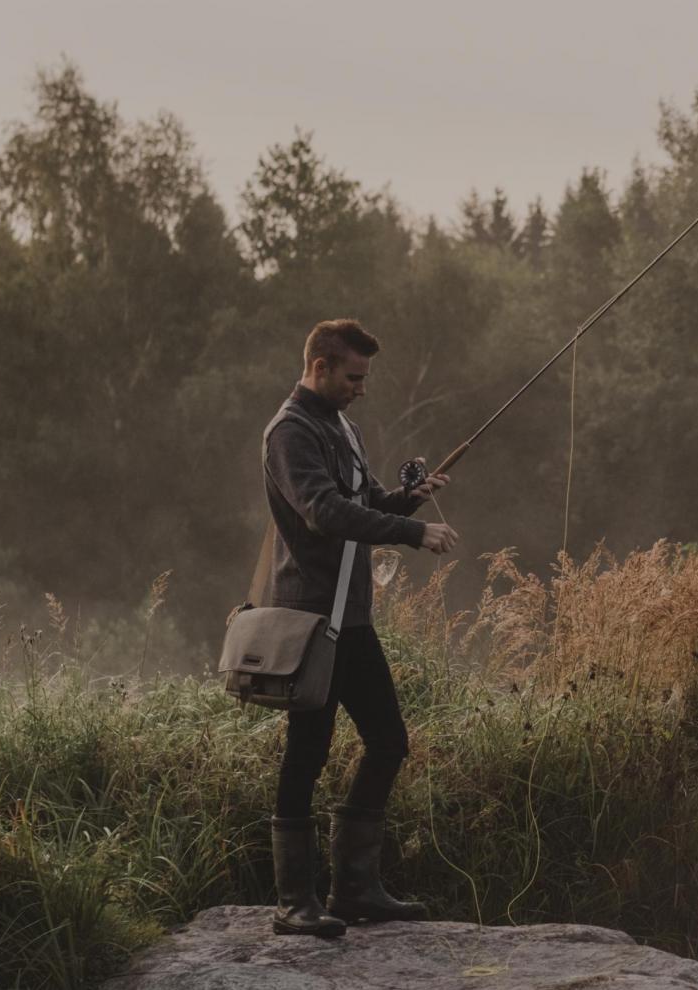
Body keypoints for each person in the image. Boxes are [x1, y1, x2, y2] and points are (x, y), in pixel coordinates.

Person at [258, 318, 460, 937]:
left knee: (389, 741)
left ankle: (354, 890)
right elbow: (322, 512)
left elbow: (362, 499)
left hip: (352, 618)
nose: (361, 388)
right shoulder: (289, 433)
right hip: (309, 620)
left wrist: (407, 501)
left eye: (364, 377)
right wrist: (410, 532)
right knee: (307, 755)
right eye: (353, 376)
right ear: (319, 367)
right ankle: (295, 903)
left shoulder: (340, 424)